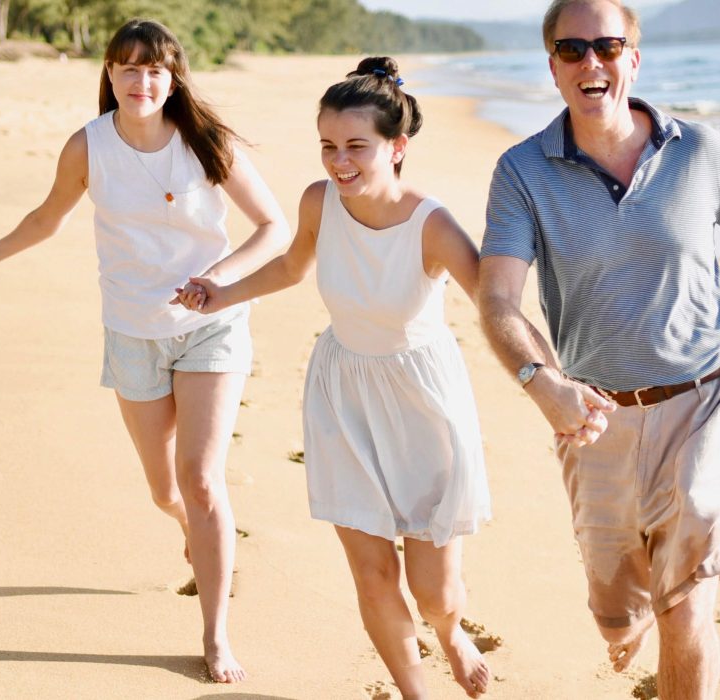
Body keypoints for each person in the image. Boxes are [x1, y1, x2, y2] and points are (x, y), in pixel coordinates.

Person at [477, 1, 720, 697]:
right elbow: (497, 300)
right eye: (571, 50)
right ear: (554, 68)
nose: (592, 62)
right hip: (592, 416)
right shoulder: (522, 171)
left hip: (702, 399)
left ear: (634, 59)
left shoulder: (699, 152)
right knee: (616, 614)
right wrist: (542, 381)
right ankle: (629, 623)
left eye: (608, 46)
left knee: (687, 602)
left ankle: (686, 606)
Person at [0, 19, 288, 683]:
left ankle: (215, 633)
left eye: (155, 70)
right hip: (132, 330)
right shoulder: (89, 146)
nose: (142, 81)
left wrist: (218, 281)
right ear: (109, 75)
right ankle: (192, 531)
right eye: (128, 68)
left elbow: (272, 225)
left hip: (210, 325)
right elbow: (47, 217)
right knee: (164, 491)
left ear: (173, 79)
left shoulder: (205, 142)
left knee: (201, 480)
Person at [177, 57, 493, 699]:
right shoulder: (320, 201)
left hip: (423, 402)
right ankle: (416, 693)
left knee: (433, 590)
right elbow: (293, 267)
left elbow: (499, 306)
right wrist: (223, 292)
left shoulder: (432, 224)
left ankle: (452, 632)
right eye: (327, 146)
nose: (338, 161)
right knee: (373, 574)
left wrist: (555, 379)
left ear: (397, 147)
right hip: (343, 392)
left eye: (356, 147)